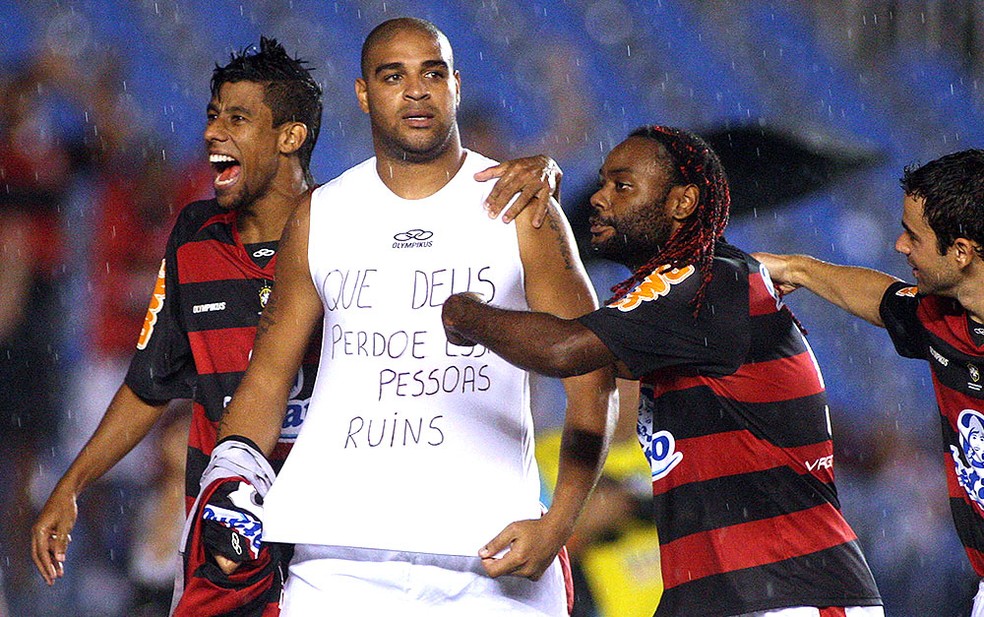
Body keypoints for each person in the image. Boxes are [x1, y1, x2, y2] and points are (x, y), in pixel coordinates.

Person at [31, 34, 562, 615]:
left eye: (237, 119)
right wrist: (74, 483)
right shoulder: (196, 239)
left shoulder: (347, 227)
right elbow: (151, 382)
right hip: (235, 525)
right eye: (212, 117)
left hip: (335, 530)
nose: (213, 134)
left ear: (290, 137)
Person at [188, 16, 615, 616]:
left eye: (431, 73)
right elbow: (268, 376)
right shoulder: (321, 215)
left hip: (492, 561)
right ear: (364, 94)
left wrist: (560, 521)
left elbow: (594, 373)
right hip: (339, 563)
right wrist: (231, 484)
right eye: (394, 76)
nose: (416, 90)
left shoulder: (524, 209)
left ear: (456, 86)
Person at [442, 125, 884, 617]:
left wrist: (467, 315)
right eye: (603, 184)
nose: (600, 199)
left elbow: (565, 348)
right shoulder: (687, 302)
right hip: (725, 594)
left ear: (681, 203)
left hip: (787, 594)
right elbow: (583, 346)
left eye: (622, 186)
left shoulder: (703, 283)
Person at [753, 148, 984, 616]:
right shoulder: (944, 319)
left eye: (914, 236)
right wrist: (796, 268)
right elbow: (883, 299)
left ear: (960, 252)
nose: (900, 245)